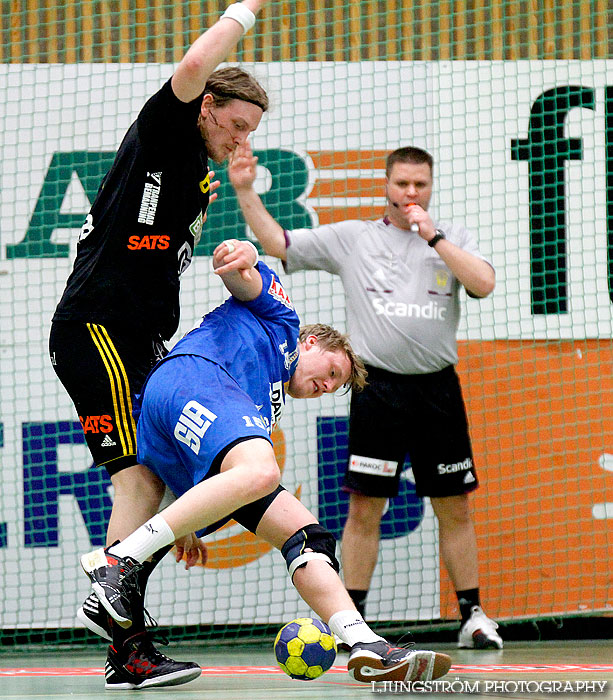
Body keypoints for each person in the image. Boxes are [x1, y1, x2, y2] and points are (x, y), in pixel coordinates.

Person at [79, 239, 453, 689]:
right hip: (195, 374)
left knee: (307, 535)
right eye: (331, 371)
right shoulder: (282, 324)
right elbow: (247, 279)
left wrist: (187, 525)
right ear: (312, 342)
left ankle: (364, 642)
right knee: (261, 471)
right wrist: (241, 254)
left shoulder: (263, 403)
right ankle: (119, 561)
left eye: (332, 388)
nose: (325, 386)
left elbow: (199, 473)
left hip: (172, 419)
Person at [48, 0, 270, 676]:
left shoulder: (200, 178)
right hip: (97, 328)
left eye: (250, 132)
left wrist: (177, 526)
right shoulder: (164, 129)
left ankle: (129, 623)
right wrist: (246, 9)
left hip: (140, 339)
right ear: (205, 106)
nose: (240, 139)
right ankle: (128, 646)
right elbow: (195, 64)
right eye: (233, 125)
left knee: (149, 485)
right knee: (135, 478)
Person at [228, 143, 503, 650]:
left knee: (455, 508)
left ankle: (473, 615)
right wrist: (245, 189)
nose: (410, 193)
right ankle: (352, 621)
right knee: (364, 510)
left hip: (438, 388)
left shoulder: (449, 238)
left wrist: (434, 237)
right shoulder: (354, 238)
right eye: (402, 183)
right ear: (386, 184)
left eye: (420, 184)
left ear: (430, 186)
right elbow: (278, 242)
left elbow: (483, 283)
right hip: (378, 390)